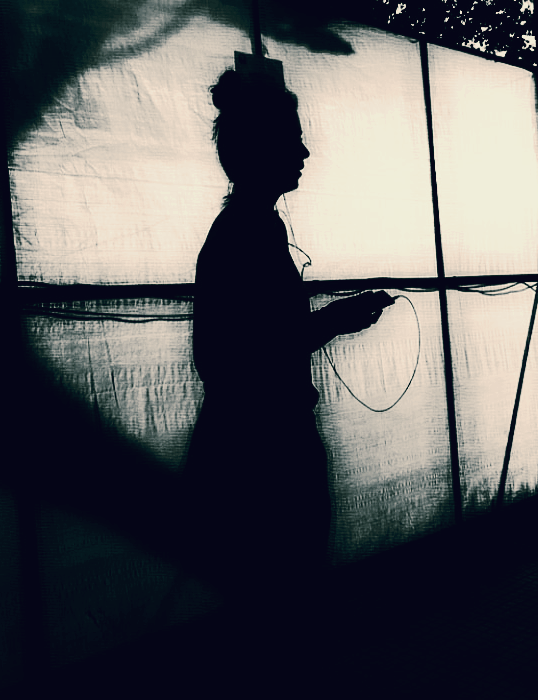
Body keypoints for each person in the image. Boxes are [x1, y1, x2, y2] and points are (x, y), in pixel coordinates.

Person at [182, 66, 393, 608]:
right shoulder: (246, 234)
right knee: (282, 599)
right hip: (261, 456)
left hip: (250, 448)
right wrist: (333, 321)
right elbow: (236, 356)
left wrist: (330, 320)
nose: (304, 152)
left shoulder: (250, 228)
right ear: (261, 148)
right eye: (292, 140)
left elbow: (250, 344)